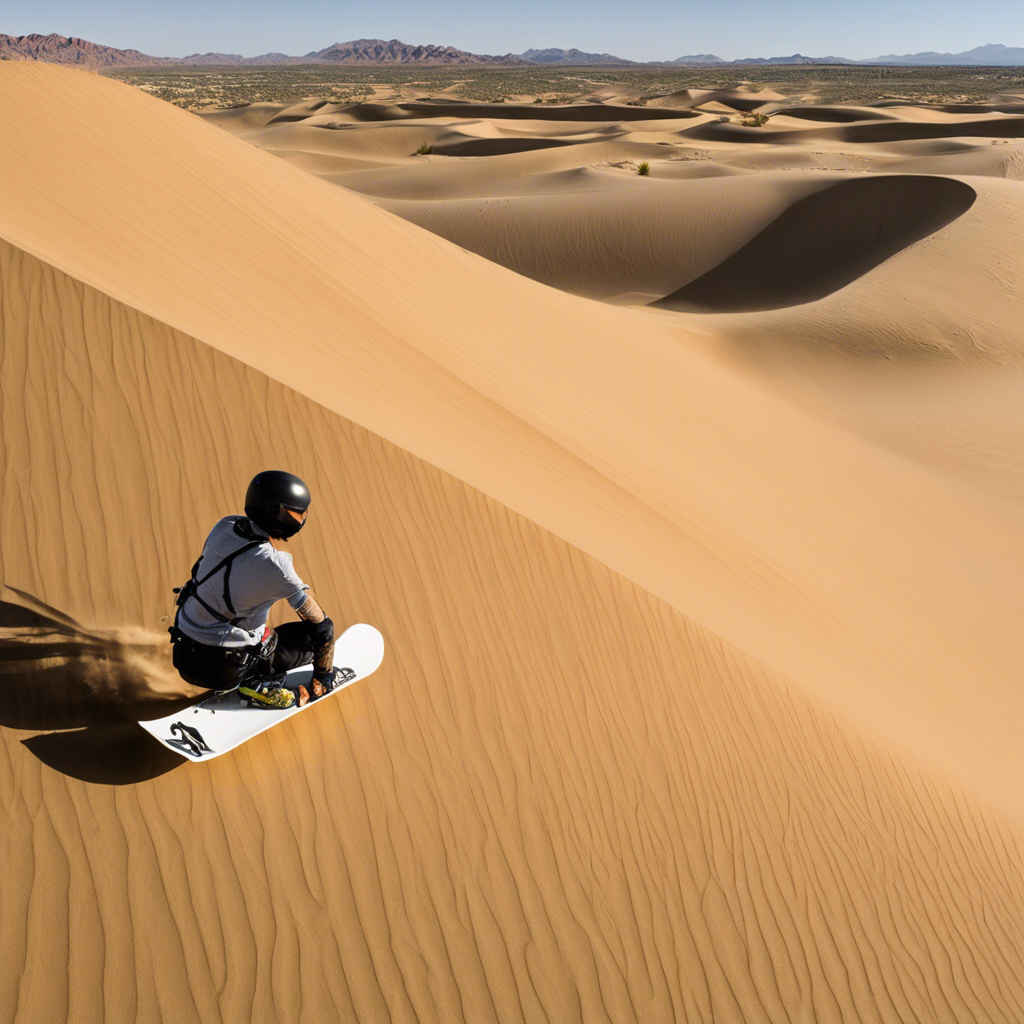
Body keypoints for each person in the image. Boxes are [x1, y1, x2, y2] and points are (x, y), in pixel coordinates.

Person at [168, 470, 341, 709]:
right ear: (274, 512)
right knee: (306, 639)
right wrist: (325, 676)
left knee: (261, 629)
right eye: (295, 513)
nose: (301, 519)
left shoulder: (225, 526)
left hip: (183, 652)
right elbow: (322, 627)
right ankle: (257, 683)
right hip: (222, 669)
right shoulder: (276, 566)